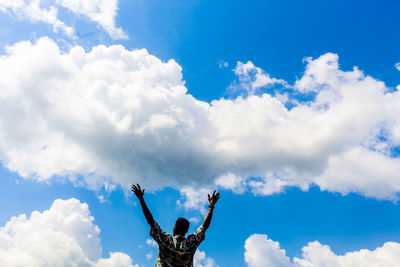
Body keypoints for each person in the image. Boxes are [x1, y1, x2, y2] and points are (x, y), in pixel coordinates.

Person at [131, 184, 220, 267]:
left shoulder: (166, 240)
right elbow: (205, 226)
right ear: (186, 231)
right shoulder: (191, 243)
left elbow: (151, 221)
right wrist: (211, 205)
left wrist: (141, 199)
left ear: (175, 228)